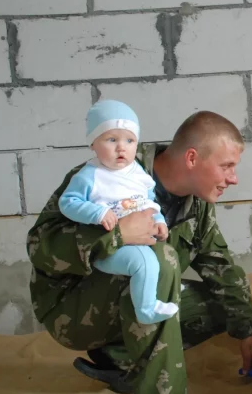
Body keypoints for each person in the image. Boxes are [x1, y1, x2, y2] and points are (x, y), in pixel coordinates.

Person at [27, 110, 252, 394]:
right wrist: (117, 235)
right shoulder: (107, 171)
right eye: (226, 166)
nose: (233, 178)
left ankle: (120, 359)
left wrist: (248, 332)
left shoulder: (196, 205)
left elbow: (219, 265)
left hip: (128, 300)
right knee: (160, 258)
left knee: (222, 304)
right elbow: (39, 246)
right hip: (70, 308)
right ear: (192, 158)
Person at [59, 99, 178, 324]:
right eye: (111, 139)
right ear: (93, 143)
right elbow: (68, 203)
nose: (121, 147)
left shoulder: (138, 173)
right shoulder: (90, 175)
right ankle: (146, 310)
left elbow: (148, 202)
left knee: (163, 257)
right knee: (144, 262)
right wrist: (96, 213)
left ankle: (165, 292)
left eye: (129, 140)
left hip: (138, 241)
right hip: (108, 249)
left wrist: (159, 220)